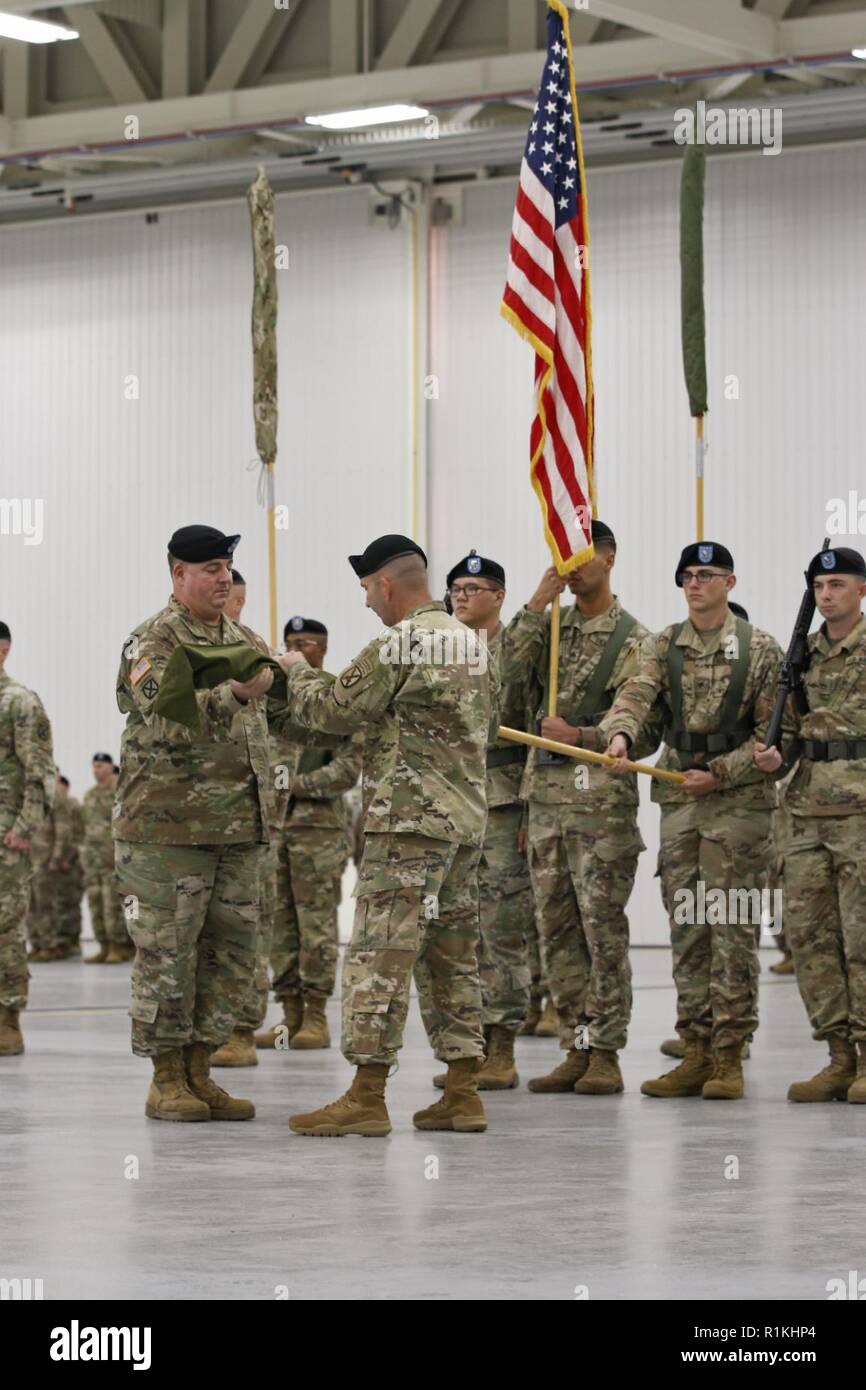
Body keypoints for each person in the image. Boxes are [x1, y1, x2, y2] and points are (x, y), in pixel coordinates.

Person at [282, 534, 496, 1137]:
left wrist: (297, 673)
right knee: (453, 957)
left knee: (380, 954)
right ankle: (462, 1091)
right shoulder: (476, 646)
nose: (367, 605)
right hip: (465, 825)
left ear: (385, 584)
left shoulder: (399, 643)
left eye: (367, 591)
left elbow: (330, 713)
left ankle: (367, 1094)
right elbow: (490, 727)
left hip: (407, 827)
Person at [113, 524, 299, 1122]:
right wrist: (235, 694)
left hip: (241, 829)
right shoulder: (153, 640)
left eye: (227, 568)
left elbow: (272, 723)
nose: (223, 579)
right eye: (211, 569)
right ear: (179, 576)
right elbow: (166, 717)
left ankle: (201, 1070)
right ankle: (166, 1077)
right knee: (169, 955)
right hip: (169, 833)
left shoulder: (245, 637)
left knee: (231, 957)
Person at [604, 542, 785, 1100]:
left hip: (739, 804)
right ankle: (696, 1048)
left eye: (706, 574)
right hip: (681, 797)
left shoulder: (761, 650)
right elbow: (637, 694)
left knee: (731, 926)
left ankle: (728, 1056)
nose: (694, 583)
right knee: (688, 924)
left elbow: (774, 735)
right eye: (687, 575)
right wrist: (621, 733)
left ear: (730, 582)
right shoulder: (662, 644)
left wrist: (721, 774)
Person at [506, 521, 660, 1097]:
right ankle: (576, 1045)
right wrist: (535, 602)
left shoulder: (638, 639)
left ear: (610, 558)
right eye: (562, 554)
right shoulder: (548, 628)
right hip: (544, 804)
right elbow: (502, 679)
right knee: (557, 934)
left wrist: (583, 736)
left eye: (582, 553)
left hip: (600, 810)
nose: (572, 564)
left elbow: (642, 725)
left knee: (602, 934)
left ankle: (607, 1055)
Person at [754, 545, 866, 1103]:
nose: (827, 595)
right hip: (804, 815)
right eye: (820, 587)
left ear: (861, 590)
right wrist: (778, 757)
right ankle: (839, 1056)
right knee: (812, 939)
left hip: (860, 815)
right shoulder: (802, 655)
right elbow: (792, 733)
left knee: (862, 938)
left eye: (838, 585)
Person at [430, 550, 534, 1091]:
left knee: (501, 929)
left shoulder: (519, 653)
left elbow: (540, 724)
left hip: (503, 801)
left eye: (475, 587)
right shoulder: (439, 651)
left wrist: (532, 808)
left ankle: (501, 1046)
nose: (462, 596)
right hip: (451, 801)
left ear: (499, 595)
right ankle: (462, 1050)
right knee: (455, 932)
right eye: (456, 588)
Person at [0, 620, 55, 1054]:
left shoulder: (18, 702)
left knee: (5, 928)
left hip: (6, 838)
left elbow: (39, 771)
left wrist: (24, 827)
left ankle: (8, 1020)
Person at [81, 753, 131, 964]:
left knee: (115, 906)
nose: (96, 770)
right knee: (96, 904)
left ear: (111, 767)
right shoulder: (90, 795)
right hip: (94, 861)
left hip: (114, 859)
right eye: (94, 766)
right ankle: (104, 945)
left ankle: (121, 946)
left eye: (100, 766)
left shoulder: (121, 792)